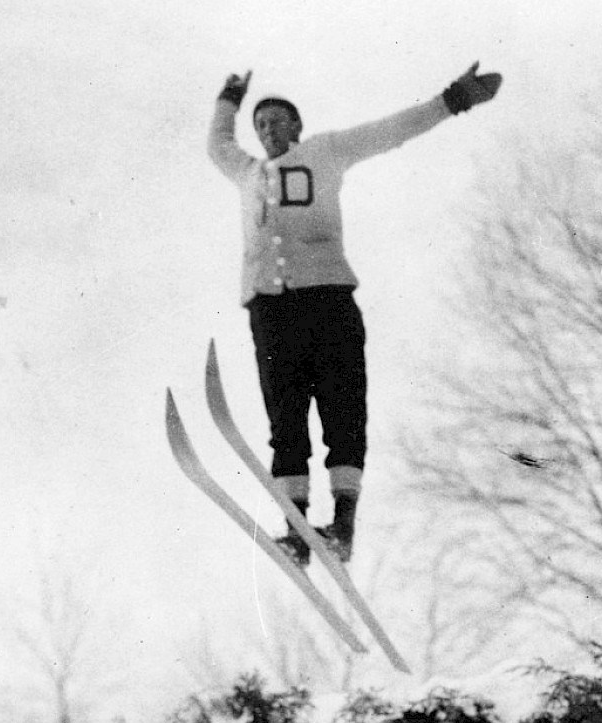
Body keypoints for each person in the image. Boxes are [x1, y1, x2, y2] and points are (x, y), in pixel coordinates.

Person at [207, 63, 501, 566]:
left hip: (327, 301)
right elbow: (217, 144)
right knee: (286, 417)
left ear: (296, 127)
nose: (268, 131)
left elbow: (390, 131)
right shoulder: (248, 173)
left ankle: (343, 523)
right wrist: (230, 97)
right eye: (261, 126)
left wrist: (452, 99)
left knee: (341, 411)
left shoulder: (325, 152)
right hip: (271, 309)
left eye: (277, 121)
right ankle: (296, 528)